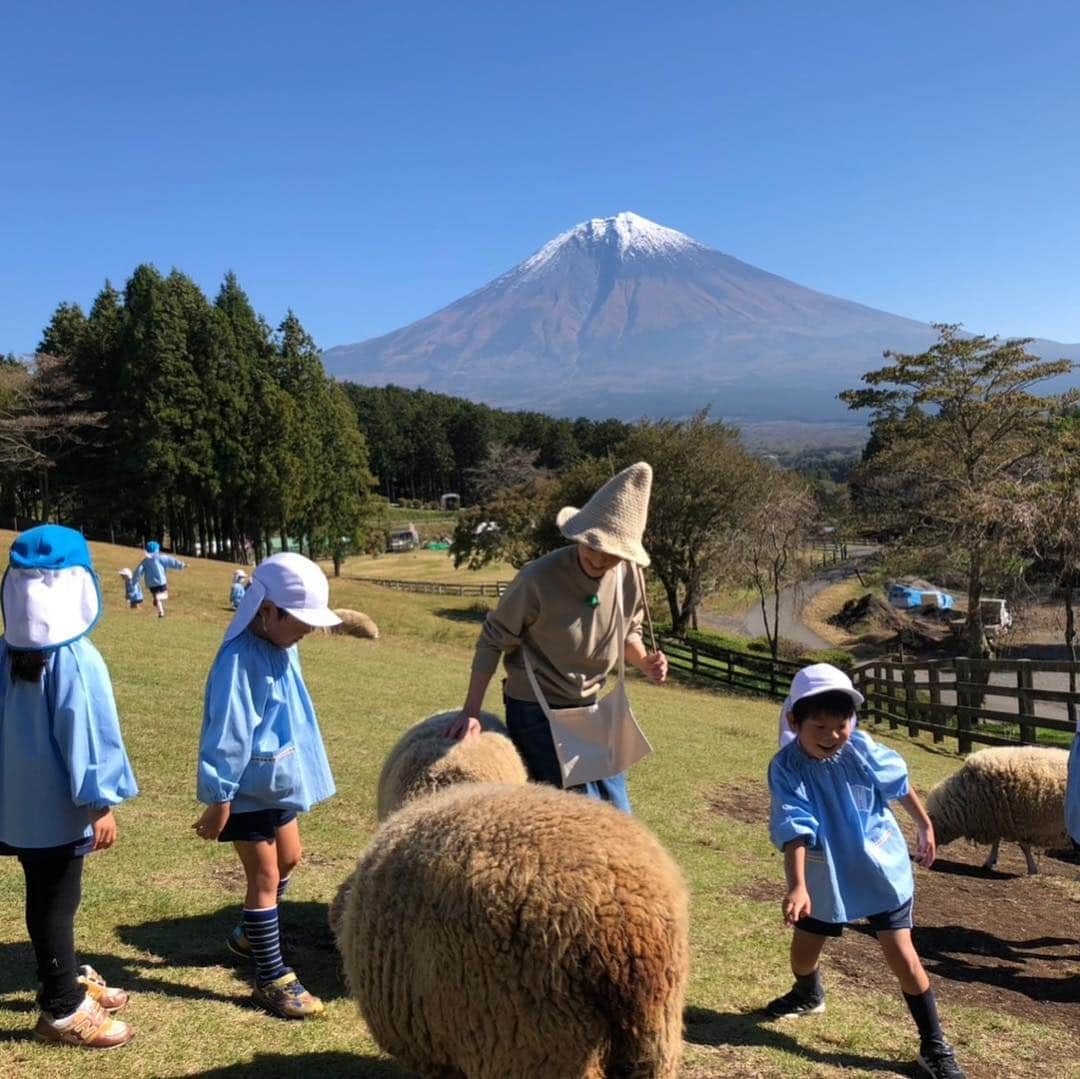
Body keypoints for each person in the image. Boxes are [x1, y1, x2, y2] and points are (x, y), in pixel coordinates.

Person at [766, 663, 966, 1079]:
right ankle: (808, 993)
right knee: (803, 956)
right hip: (826, 874)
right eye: (818, 726)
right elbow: (794, 825)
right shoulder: (786, 768)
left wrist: (924, 824)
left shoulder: (860, 748)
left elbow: (897, 782)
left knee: (903, 958)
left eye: (840, 725)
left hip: (879, 866)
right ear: (794, 721)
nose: (831, 736)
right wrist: (798, 886)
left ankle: (933, 1045)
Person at [446, 462, 668, 813]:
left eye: (612, 552)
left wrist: (644, 661)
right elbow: (492, 638)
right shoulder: (537, 579)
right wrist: (471, 710)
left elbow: (628, 633)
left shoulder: (630, 577)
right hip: (537, 708)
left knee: (620, 814)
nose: (598, 557)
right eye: (591, 544)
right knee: (578, 812)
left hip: (593, 710)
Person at [0, 524, 138, 1049]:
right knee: (57, 900)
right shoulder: (77, 661)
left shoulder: (8, 653)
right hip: (59, 809)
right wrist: (100, 803)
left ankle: (63, 977)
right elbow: (88, 739)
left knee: (46, 895)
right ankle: (60, 1008)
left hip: (16, 805)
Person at [193, 552, 341, 1019]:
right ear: (265, 610)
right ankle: (270, 977)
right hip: (246, 789)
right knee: (264, 877)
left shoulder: (282, 646)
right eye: (300, 620)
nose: (309, 630)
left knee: (290, 858)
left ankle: (249, 934)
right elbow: (229, 732)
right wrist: (220, 799)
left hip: (278, 782)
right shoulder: (239, 661)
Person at [133, 540, 186, 618]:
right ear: (157, 550)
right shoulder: (161, 558)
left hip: (151, 584)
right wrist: (182, 565)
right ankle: (158, 598)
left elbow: (138, 571)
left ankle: (161, 612)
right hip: (161, 582)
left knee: (157, 598)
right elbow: (172, 562)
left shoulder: (145, 561)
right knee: (165, 595)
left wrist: (134, 581)